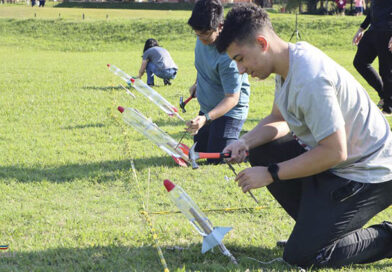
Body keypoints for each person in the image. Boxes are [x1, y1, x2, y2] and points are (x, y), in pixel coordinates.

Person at [216, 3, 392, 268]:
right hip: (342, 164)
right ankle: (314, 231)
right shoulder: (288, 62)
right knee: (262, 148)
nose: (240, 70)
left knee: (304, 257)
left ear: (262, 43)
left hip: (370, 172)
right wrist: (245, 142)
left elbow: (335, 152)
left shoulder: (310, 77)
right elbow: (278, 119)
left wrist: (270, 173)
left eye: (240, 59)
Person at [185, 0, 250, 163]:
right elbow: (203, 65)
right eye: (197, 34)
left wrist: (205, 118)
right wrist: (197, 83)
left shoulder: (229, 57)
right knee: (199, 151)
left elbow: (232, 98)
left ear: (220, 26)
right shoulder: (202, 37)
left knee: (217, 159)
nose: (200, 39)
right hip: (208, 108)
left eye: (205, 34)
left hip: (229, 111)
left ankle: (252, 149)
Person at [352, 0, 392, 115]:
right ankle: (383, 96)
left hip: (388, 31)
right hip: (373, 30)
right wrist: (361, 29)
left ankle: (389, 107)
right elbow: (372, 10)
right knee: (360, 62)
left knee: (386, 71)